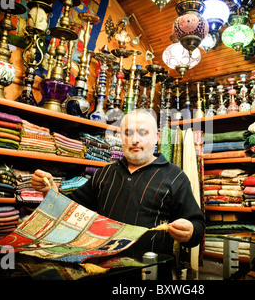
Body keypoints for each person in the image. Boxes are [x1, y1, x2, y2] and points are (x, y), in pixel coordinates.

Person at [31, 109, 205, 259]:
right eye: (128, 133)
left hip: (150, 272)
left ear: (156, 137)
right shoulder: (105, 173)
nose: (134, 140)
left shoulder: (175, 177)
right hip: (102, 269)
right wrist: (50, 190)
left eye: (143, 133)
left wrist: (190, 231)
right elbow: (70, 209)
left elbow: (197, 226)